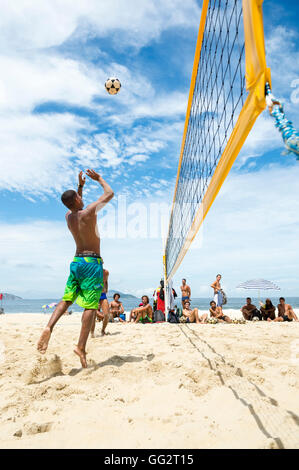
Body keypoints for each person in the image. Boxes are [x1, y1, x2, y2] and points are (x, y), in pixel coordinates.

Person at [37, 169, 114, 368]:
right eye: (79, 196)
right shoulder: (89, 211)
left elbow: (75, 205)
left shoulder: (68, 217)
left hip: (76, 262)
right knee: (89, 306)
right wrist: (99, 179)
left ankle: (49, 327)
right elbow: (109, 194)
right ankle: (80, 346)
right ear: (78, 200)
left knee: (67, 299)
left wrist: (79, 187)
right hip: (91, 263)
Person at [90, 268, 110, 337]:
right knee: (93, 315)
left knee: (107, 315)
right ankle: (92, 332)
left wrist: (106, 289)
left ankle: (103, 330)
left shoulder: (106, 272)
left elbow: (106, 281)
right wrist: (100, 286)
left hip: (102, 295)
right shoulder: (92, 271)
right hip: (93, 294)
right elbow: (90, 285)